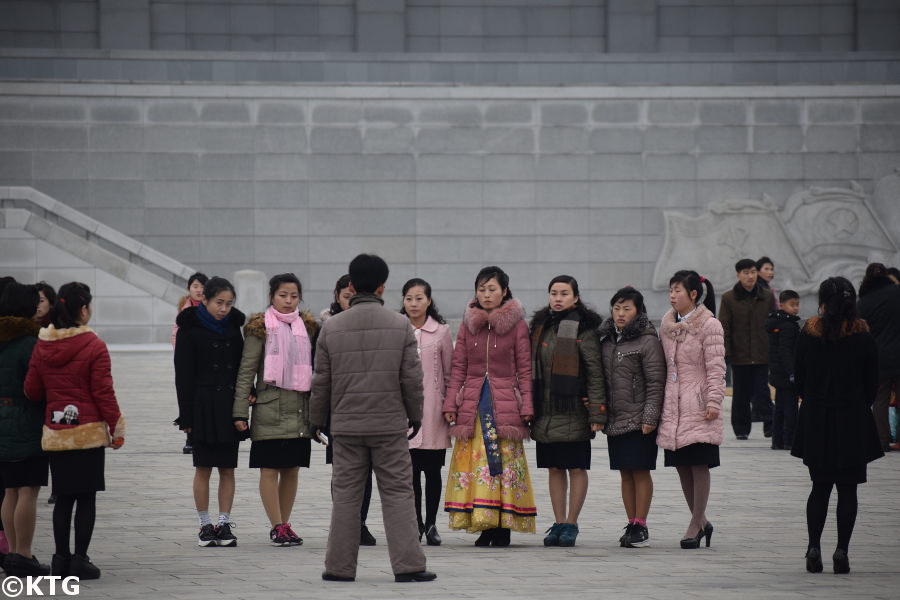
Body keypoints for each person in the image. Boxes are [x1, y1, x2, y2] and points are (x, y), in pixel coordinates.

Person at [310, 254, 435, 583]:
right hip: (389, 426)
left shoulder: (332, 327)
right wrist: (415, 415)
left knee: (347, 495)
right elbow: (412, 379)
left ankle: (338, 568)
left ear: (350, 285)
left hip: (346, 427)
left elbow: (321, 381)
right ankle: (408, 566)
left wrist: (317, 420)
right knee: (397, 493)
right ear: (382, 286)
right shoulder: (400, 325)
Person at [24, 282, 125, 579]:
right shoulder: (94, 346)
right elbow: (103, 392)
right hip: (88, 432)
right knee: (86, 497)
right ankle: (80, 558)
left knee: (63, 496)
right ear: (83, 309)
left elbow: (31, 390)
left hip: (57, 432)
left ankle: (60, 558)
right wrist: (116, 428)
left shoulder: (42, 345)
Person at [792, 277, 883, 574]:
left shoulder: (809, 333)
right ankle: (842, 550)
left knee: (819, 488)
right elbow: (872, 383)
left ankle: (813, 546)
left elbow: (799, 377)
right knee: (848, 490)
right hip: (852, 420)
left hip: (817, 418)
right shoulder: (863, 336)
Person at [442, 266, 536, 547]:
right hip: (472, 405)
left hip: (504, 405)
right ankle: (483, 523)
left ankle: (502, 525)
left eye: (491, 289)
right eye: (481, 289)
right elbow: (458, 366)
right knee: (476, 463)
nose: (486, 294)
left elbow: (525, 368)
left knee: (503, 465)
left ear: (504, 291)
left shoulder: (517, 325)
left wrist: (527, 405)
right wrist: (450, 403)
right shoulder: (467, 324)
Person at [233, 273, 318, 547]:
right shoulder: (260, 328)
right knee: (269, 468)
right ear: (272, 296)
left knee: (292, 468)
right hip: (269, 408)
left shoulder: (307, 328)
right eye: (283, 295)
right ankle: (277, 525)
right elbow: (246, 372)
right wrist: (239, 412)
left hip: (299, 410)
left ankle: (285, 524)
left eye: (294, 296)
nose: (288, 301)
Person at [529, 275, 605, 548]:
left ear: (575, 297)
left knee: (576, 467)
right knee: (554, 468)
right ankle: (559, 522)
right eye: (553, 293)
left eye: (564, 293)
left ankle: (571, 523)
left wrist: (597, 413)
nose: (558, 298)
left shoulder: (584, 329)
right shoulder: (541, 327)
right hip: (546, 413)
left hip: (574, 411)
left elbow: (595, 373)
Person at [174, 277, 245, 548]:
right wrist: (186, 417)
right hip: (202, 405)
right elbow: (183, 376)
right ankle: (205, 525)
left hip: (227, 406)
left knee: (227, 468)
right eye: (219, 302)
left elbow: (241, 368)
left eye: (229, 304)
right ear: (204, 299)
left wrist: (243, 404)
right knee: (203, 467)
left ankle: (224, 523)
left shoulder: (233, 328)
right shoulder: (189, 329)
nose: (224, 309)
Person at [657, 270, 724, 549]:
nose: (672, 295)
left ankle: (695, 524)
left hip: (698, 404)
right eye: (670, 290)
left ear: (693, 294)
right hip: (674, 405)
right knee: (681, 465)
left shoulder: (710, 326)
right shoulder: (668, 326)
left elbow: (717, 367)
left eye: (678, 290)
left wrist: (713, 402)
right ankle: (702, 520)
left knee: (699, 463)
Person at [598, 286, 665, 549]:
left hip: (640, 419)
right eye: (617, 308)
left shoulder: (647, 340)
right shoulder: (606, 341)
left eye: (627, 309)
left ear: (638, 311)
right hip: (616, 419)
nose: (620, 314)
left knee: (641, 471)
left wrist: (650, 416)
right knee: (625, 472)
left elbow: (656, 381)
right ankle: (631, 522)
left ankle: (642, 524)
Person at [320, 274, 376, 546]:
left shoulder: (371, 325)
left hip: (369, 409)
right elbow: (320, 375)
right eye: (345, 297)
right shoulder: (329, 327)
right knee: (342, 472)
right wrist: (317, 417)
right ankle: (345, 524)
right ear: (337, 296)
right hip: (338, 410)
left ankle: (361, 523)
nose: (350, 302)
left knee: (366, 472)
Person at [0, 283, 49, 576]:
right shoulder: (30, 342)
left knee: (9, 490)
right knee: (28, 490)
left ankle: (12, 553)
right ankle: (23, 554)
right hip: (25, 420)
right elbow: (36, 387)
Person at [401, 278, 452, 547]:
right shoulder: (397, 330)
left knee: (432, 472)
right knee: (409, 475)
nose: (414, 303)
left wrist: (450, 406)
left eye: (419, 298)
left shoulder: (442, 332)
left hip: (434, 413)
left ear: (429, 301)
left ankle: (431, 523)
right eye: (409, 298)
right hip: (404, 413)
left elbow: (451, 373)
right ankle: (415, 524)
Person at [719, 258, 775, 440]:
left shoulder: (766, 296)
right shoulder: (728, 298)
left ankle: (770, 424)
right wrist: (726, 352)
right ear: (738, 275)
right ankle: (741, 429)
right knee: (741, 394)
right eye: (745, 273)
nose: (750, 276)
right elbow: (724, 327)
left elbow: (773, 324)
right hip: (739, 353)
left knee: (762, 391)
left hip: (761, 352)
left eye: (752, 272)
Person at [857, 263, 900, 452]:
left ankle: (882, 440)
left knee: (880, 399)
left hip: (878, 356)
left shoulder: (864, 301)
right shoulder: (897, 292)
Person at [172, 272, 208, 455]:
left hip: (205, 360)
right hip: (186, 360)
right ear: (189, 289)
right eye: (195, 286)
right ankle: (189, 436)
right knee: (187, 396)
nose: (198, 290)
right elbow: (175, 334)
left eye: (202, 286)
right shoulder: (183, 310)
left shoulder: (211, 308)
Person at [765, 290, 802, 450]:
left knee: (780, 407)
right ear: (782, 305)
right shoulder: (788, 326)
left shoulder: (777, 323)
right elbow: (786, 351)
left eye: (797, 304)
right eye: (792, 304)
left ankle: (777, 440)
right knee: (790, 409)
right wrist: (792, 372)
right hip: (786, 374)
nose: (795, 308)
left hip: (777, 372)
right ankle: (789, 440)